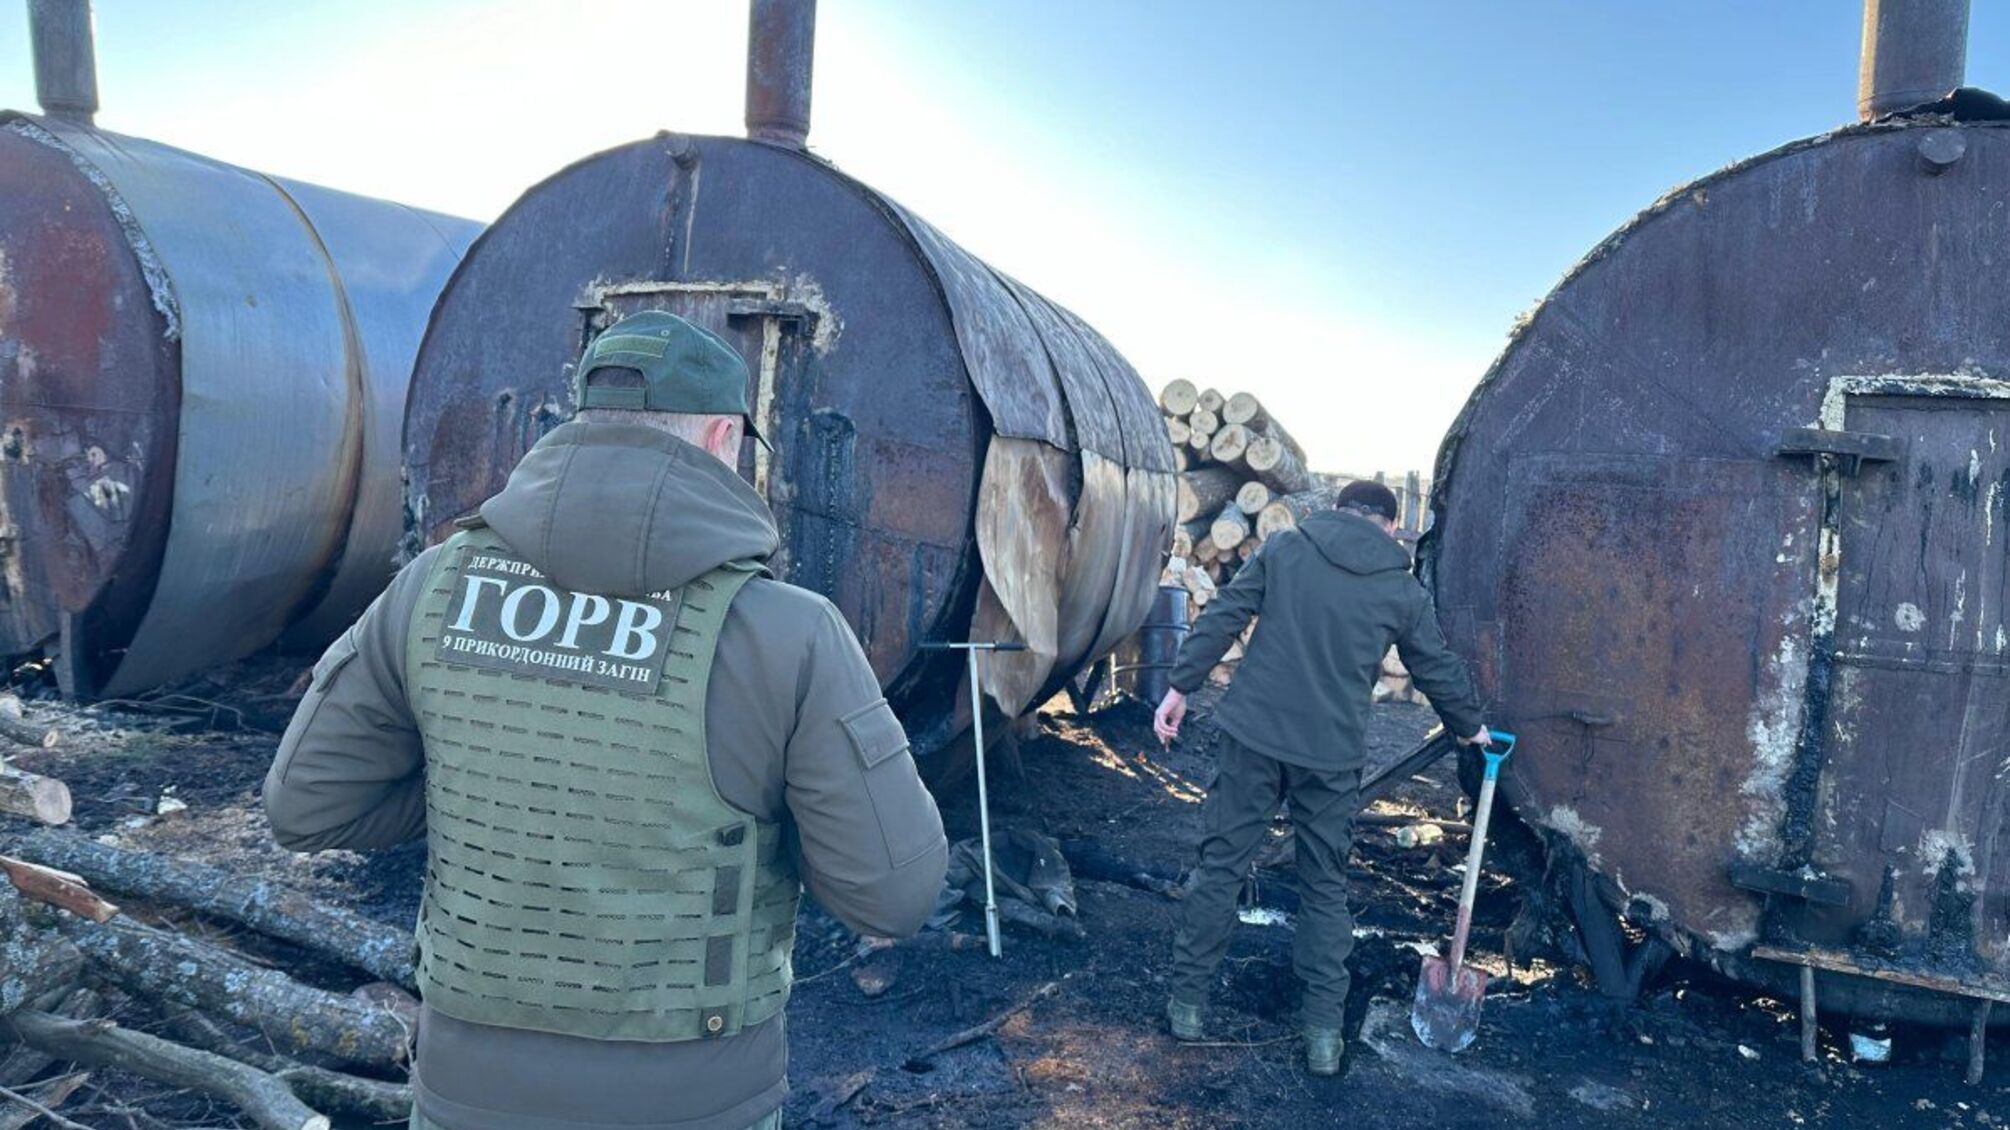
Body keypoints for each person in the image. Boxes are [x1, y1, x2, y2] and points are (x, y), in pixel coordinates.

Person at [264, 310, 949, 1130]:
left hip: (465, 1094)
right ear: (723, 436)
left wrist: (478, 782)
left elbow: (305, 804)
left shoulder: (432, 589)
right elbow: (893, 894)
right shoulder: (790, 632)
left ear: (581, 425)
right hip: (697, 1101)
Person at [1153, 480, 1488, 1076]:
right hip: (1330, 758)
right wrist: (1471, 728)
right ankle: (1323, 1038)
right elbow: (1434, 665)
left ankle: (1186, 1008)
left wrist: (1181, 686)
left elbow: (1226, 613)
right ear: (1389, 526)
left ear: (1336, 511)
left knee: (1222, 866)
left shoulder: (1284, 549)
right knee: (1323, 888)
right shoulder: (1400, 588)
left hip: (1252, 737)